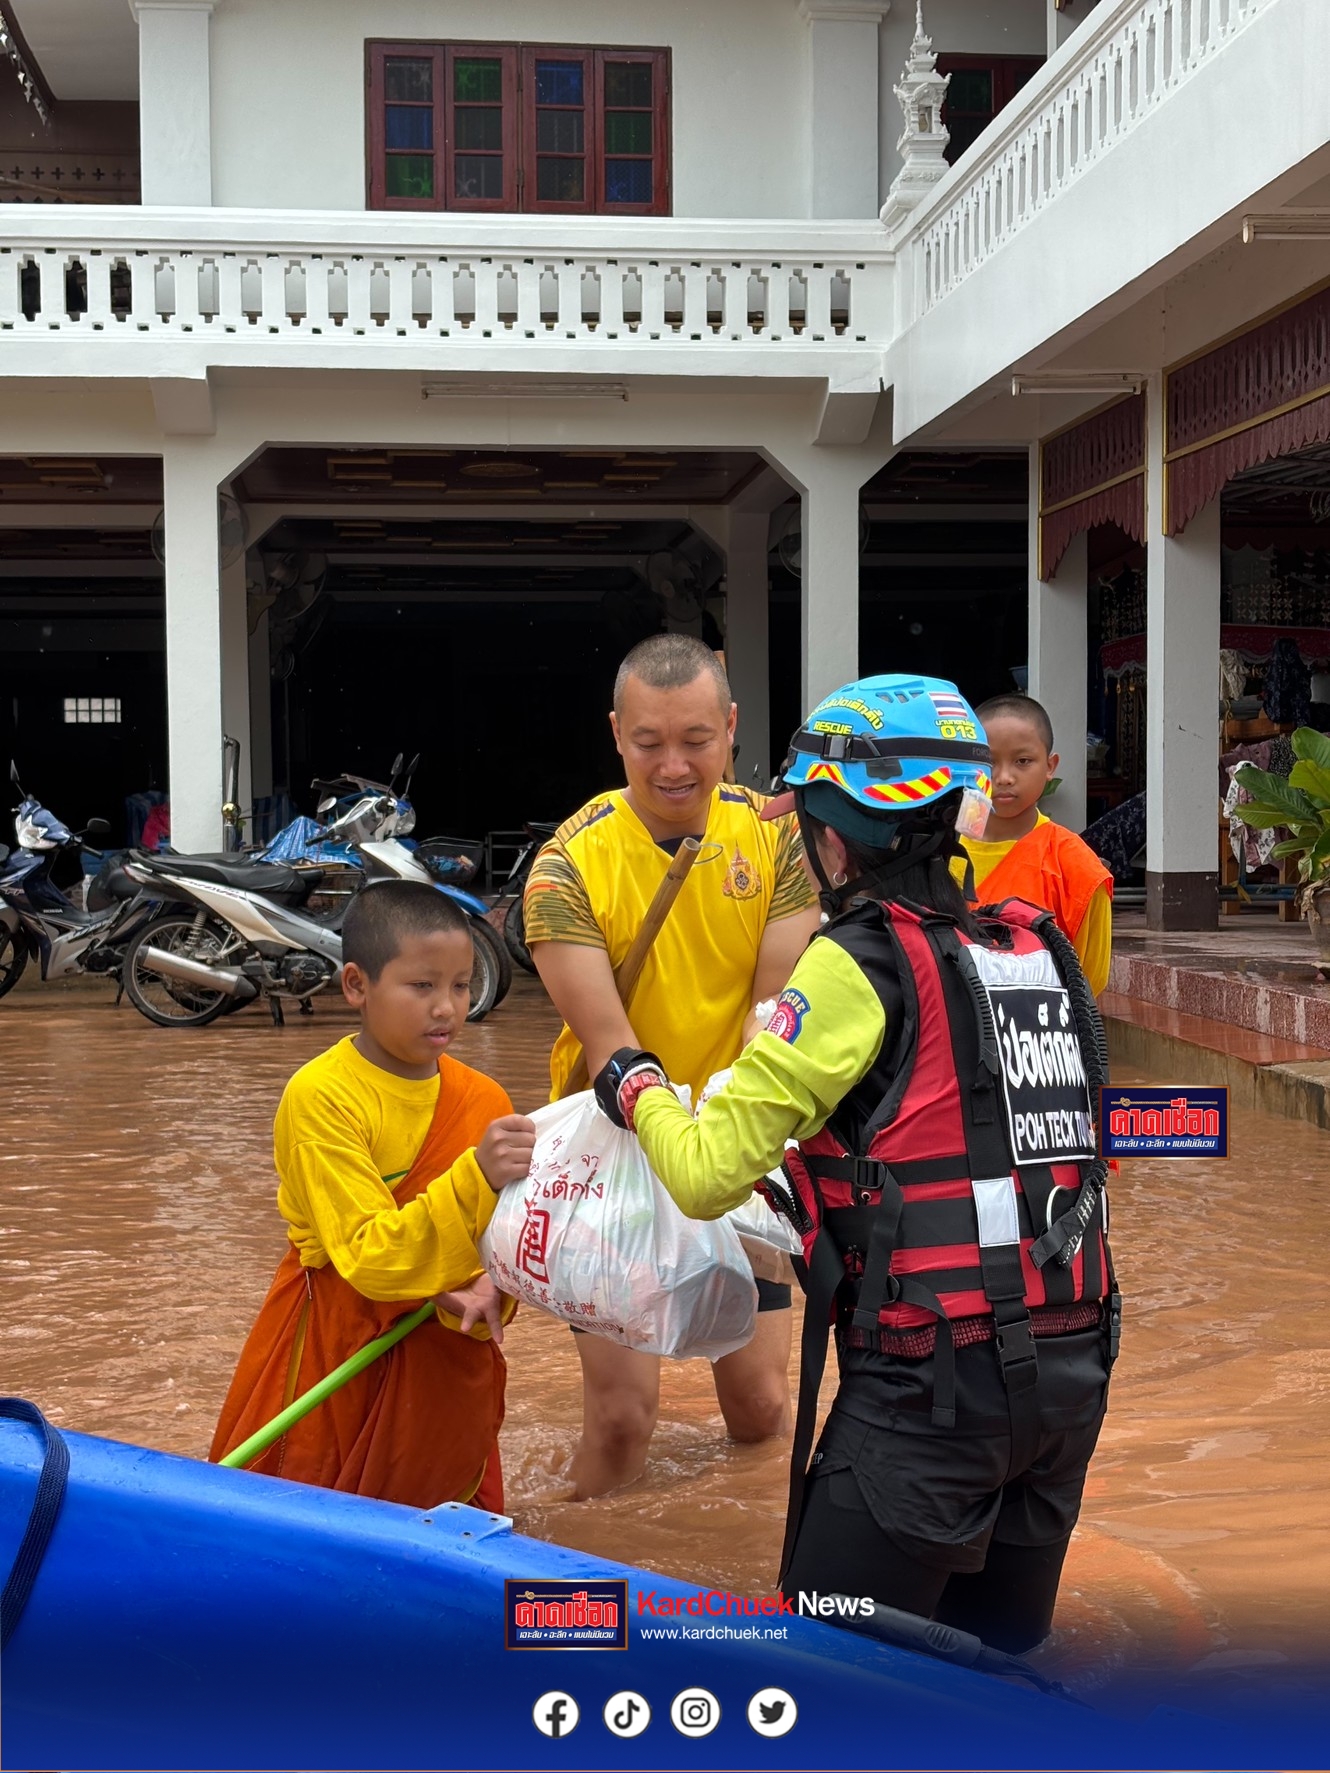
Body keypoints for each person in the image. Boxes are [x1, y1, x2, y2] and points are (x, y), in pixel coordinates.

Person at [594, 674, 1119, 1654]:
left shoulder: (857, 960)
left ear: (834, 834)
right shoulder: (1030, 949)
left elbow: (707, 1173)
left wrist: (635, 1087)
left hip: (931, 1394)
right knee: (992, 1678)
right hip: (1069, 1371)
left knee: (824, 1673)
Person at [524, 633, 822, 1499]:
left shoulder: (780, 843)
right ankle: (574, 1589)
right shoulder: (564, 866)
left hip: (738, 1144)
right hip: (609, 1156)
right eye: (649, 742)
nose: (674, 764)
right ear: (616, 734)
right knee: (622, 1426)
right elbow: (612, 1048)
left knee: (763, 1413)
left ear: (732, 728)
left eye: (696, 738)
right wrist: (675, 1147)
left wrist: (728, 1158)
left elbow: (776, 1024)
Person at [209, 881, 536, 1511]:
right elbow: (369, 1257)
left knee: (451, 1529)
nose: (447, 1007)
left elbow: (510, 1240)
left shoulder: (485, 1101)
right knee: (307, 1527)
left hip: (446, 1346)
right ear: (357, 985)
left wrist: (497, 1283)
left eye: (462, 986)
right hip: (340, 1341)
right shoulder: (322, 1097)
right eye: (422, 986)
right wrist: (478, 1178)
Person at [955, 692, 1113, 995]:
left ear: (1050, 766)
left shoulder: (1074, 866)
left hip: (1040, 1030)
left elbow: (1088, 980)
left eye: (1022, 761)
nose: (1003, 777)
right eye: (988, 762)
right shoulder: (936, 849)